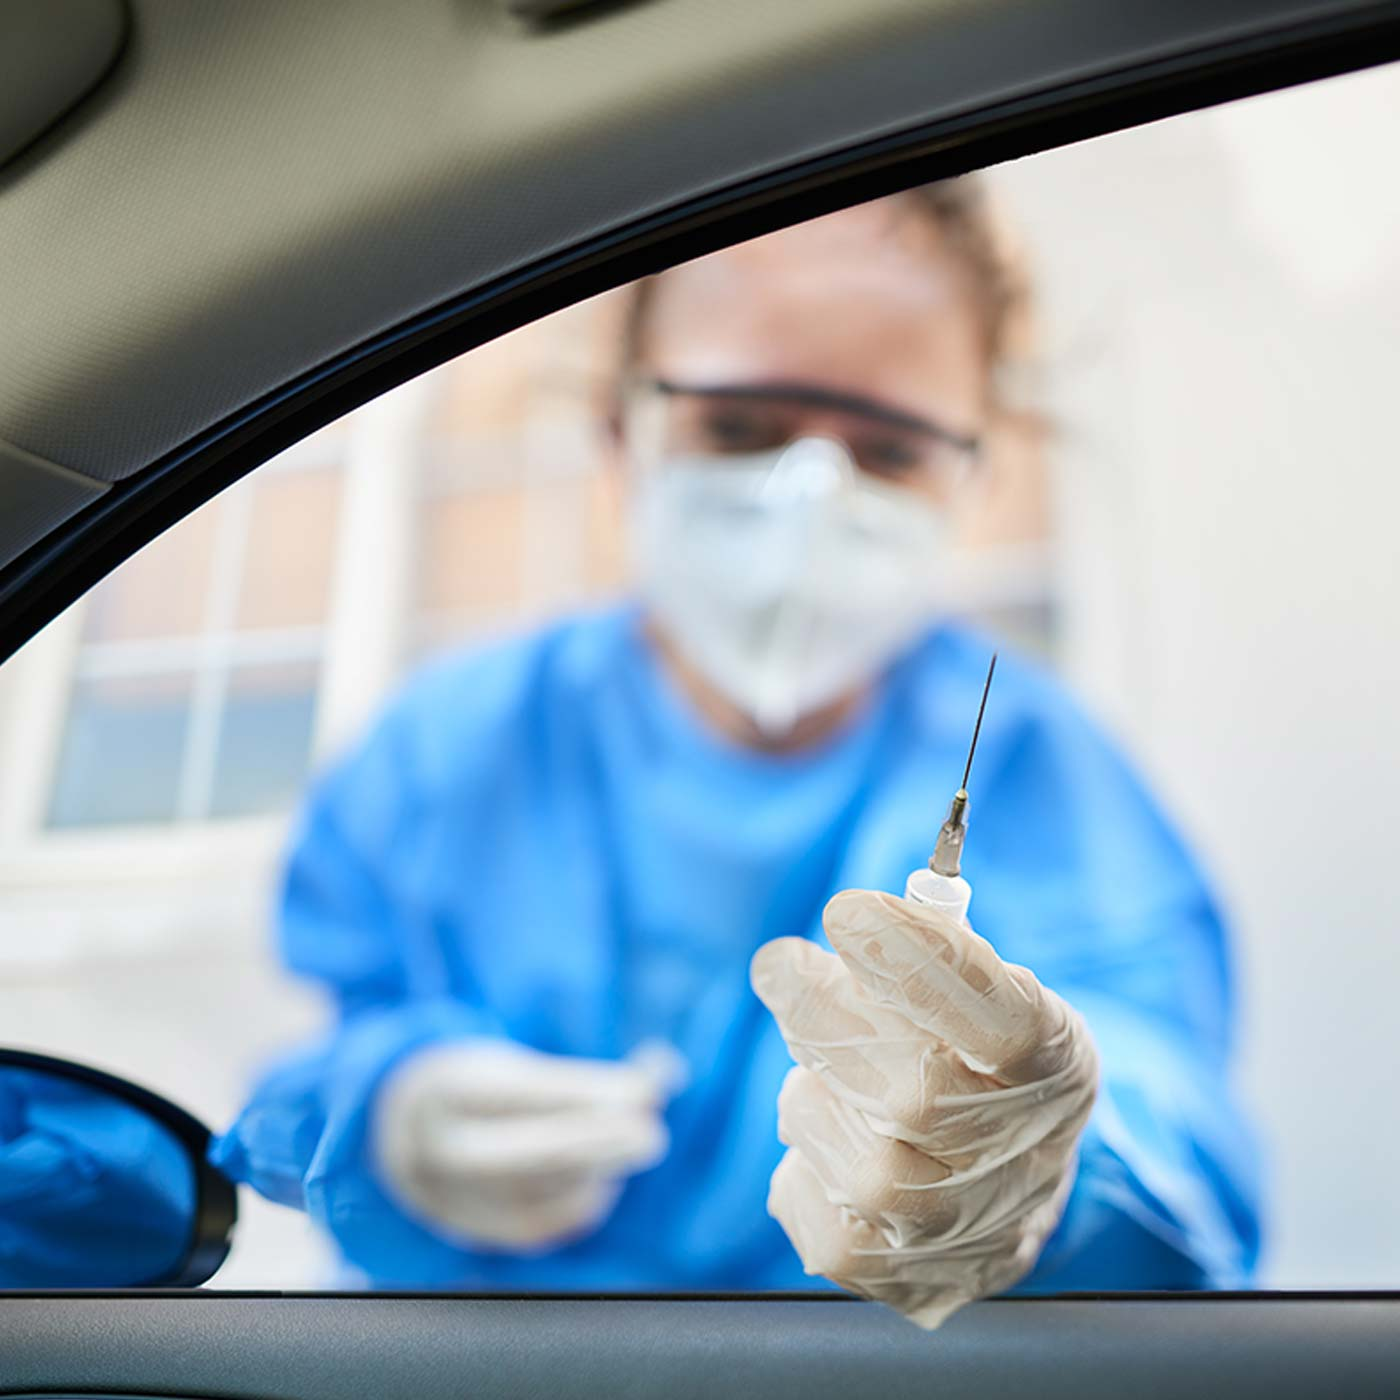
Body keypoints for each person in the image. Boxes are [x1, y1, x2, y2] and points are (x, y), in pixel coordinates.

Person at [212, 181, 1261, 1323]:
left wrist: (1052, 1173)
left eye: (889, 450)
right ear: (621, 431)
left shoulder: (1039, 774)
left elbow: (1179, 1141)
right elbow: (305, 1072)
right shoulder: (451, 750)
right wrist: (387, 1119)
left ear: (969, 476)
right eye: (738, 427)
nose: (807, 500)